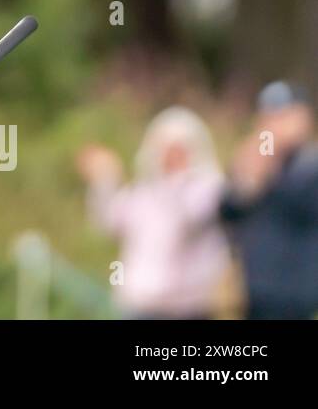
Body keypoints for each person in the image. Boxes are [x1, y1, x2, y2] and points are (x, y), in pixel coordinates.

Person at [76, 106, 232, 319]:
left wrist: (179, 179)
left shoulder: (209, 189)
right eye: (166, 149)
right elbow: (108, 222)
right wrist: (105, 179)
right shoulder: (144, 192)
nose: (171, 157)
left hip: (188, 307)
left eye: (179, 149)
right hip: (140, 304)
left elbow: (190, 218)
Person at [218, 81, 318, 319]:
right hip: (253, 289)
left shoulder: (309, 164)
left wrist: (270, 168)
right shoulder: (252, 160)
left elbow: (303, 206)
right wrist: (246, 180)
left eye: (283, 117)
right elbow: (227, 211)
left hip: (296, 293)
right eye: (269, 117)